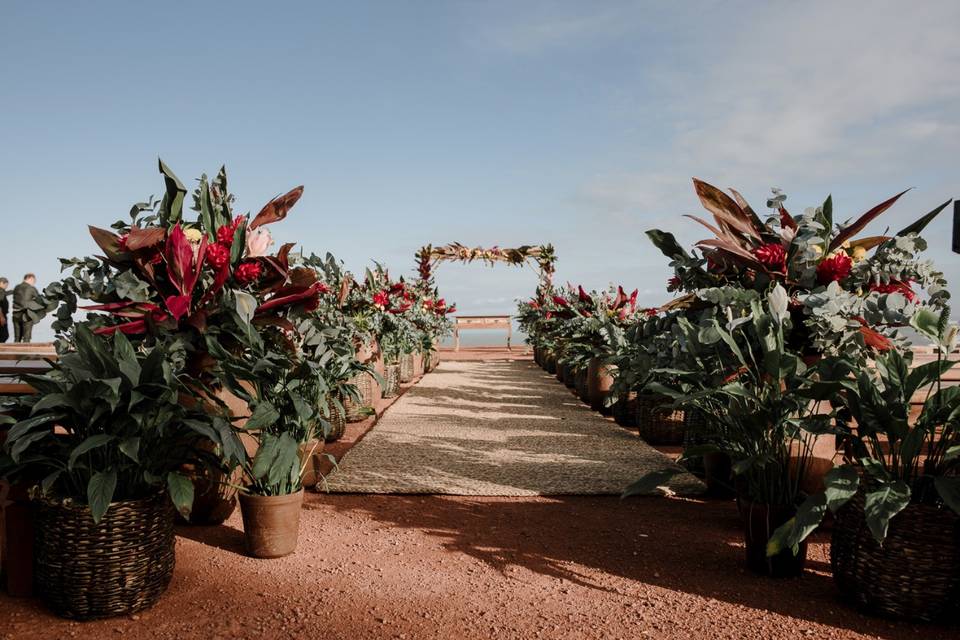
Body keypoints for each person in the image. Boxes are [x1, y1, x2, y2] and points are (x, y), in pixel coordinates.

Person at [12, 274, 39, 343]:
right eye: (34, 281)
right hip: (27, 314)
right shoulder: (31, 288)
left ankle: (15, 352)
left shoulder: (16, 287)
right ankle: (25, 353)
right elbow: (39, 300)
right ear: (30, 278)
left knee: (17, 337)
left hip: (15, 314)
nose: (34, 282)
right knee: (26, 337)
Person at [0, 277, 8, 343]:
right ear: (2, 283)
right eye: (6, 285)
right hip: (1, 315)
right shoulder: (1, 291)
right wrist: (1, 317)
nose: (6, 287)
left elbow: (7, 293)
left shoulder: (2, 291)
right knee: (4, 335)